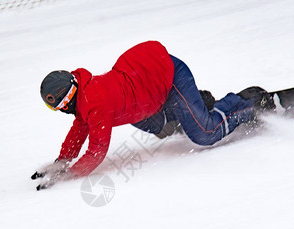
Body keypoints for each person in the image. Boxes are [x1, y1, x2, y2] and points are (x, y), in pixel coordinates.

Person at [32, 41, 275, 189]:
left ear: (67, 100)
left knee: (205, 133)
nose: (59, 112)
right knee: (164, 128)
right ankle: (196, 104)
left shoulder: (95, 104)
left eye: (56, 107)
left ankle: (250, 103)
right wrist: (61, 162)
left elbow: (96, 151)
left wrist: (70, 174)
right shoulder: (85, 96)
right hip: (149, 95)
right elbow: (79, 128)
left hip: (169, 78)